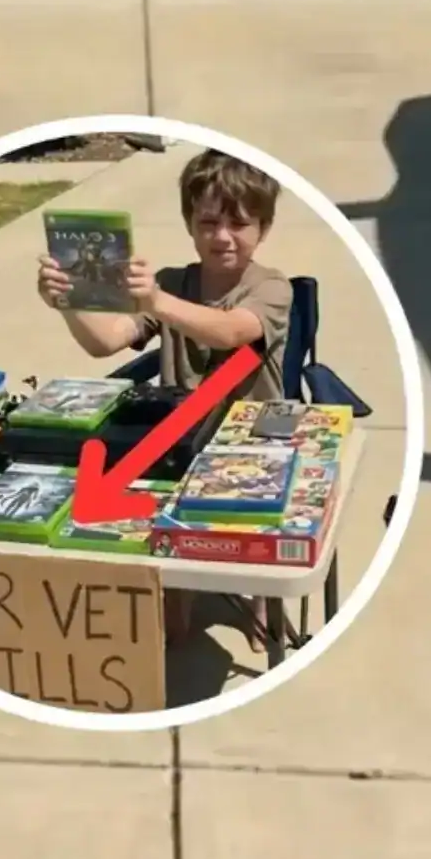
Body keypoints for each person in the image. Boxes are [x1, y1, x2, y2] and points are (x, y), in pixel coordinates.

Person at [37, 149, 293, 645]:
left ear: (263, 228)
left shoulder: (272, 287)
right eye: (209, 222)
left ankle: (261, 600)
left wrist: (156, 300)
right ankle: (179, 592)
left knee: (257, 553)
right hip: (180, 440)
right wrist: (66, 302)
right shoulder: (175, 283)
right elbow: (105, 341)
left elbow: (230, 331)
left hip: (252, 442)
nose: (222, 236)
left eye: (239, 223)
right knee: (169, 609)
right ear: (190, 224)